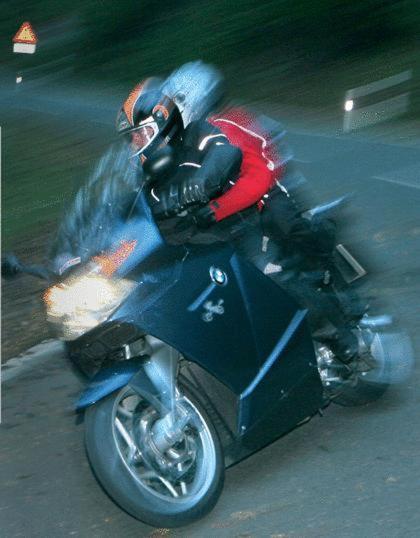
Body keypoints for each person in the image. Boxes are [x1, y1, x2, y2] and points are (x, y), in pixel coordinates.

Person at [115, 63, 358, 362]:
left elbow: (251, 173)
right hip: (222, 219)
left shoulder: (222, 127)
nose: (135, 142)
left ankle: (335, 326)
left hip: (264, 195)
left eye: (178, 101)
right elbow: (142, 198)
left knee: (273, 259)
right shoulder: (167, 151)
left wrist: (212, 206)